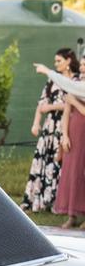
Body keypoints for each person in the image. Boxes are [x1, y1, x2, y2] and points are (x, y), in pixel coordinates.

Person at [22, 48, 79, 212]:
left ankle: (57, 202)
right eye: (55, 62)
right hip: (49, 127)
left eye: (59, 61)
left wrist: (52, 106)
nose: (56, 64)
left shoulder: (76, 81)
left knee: (59, 163)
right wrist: (36, 123)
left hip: (66, 125)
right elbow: (42, 103)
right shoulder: (52, 81)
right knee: (43, 161)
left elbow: (70, 102)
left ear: (68, 61)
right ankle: (36, 200)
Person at [53, 59, 85, 228]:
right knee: (71, 171)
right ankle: (72, 214)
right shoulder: (75, 85)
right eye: (82, 64)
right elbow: (66, 112)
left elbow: (76, 106)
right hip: (74, 131)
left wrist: (75, 102)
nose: (82, 68)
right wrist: (64, 135)